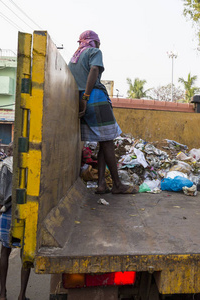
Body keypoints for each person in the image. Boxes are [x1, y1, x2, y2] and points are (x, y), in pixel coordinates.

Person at [68, 30, 138, 194]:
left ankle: (101, 184)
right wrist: (86, 97)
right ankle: (117, 185)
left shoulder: (73, 59)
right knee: (108, 143)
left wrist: (82, 99)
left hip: (81, 102)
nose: (99, 45)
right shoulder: (94, 52)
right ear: (93, 42)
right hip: (95, 99)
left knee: (102, 141)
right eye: (98, 42)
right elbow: (94, 71)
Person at [0, 146, 30, 300]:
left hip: (8, 211)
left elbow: (0, 191)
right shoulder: (30, 164)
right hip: (27, 213)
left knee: (4, 252)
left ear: (10, 152)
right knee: (25, 255)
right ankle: (21, 295)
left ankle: (2, 294)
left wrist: (4, 203)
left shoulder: (6, 165)